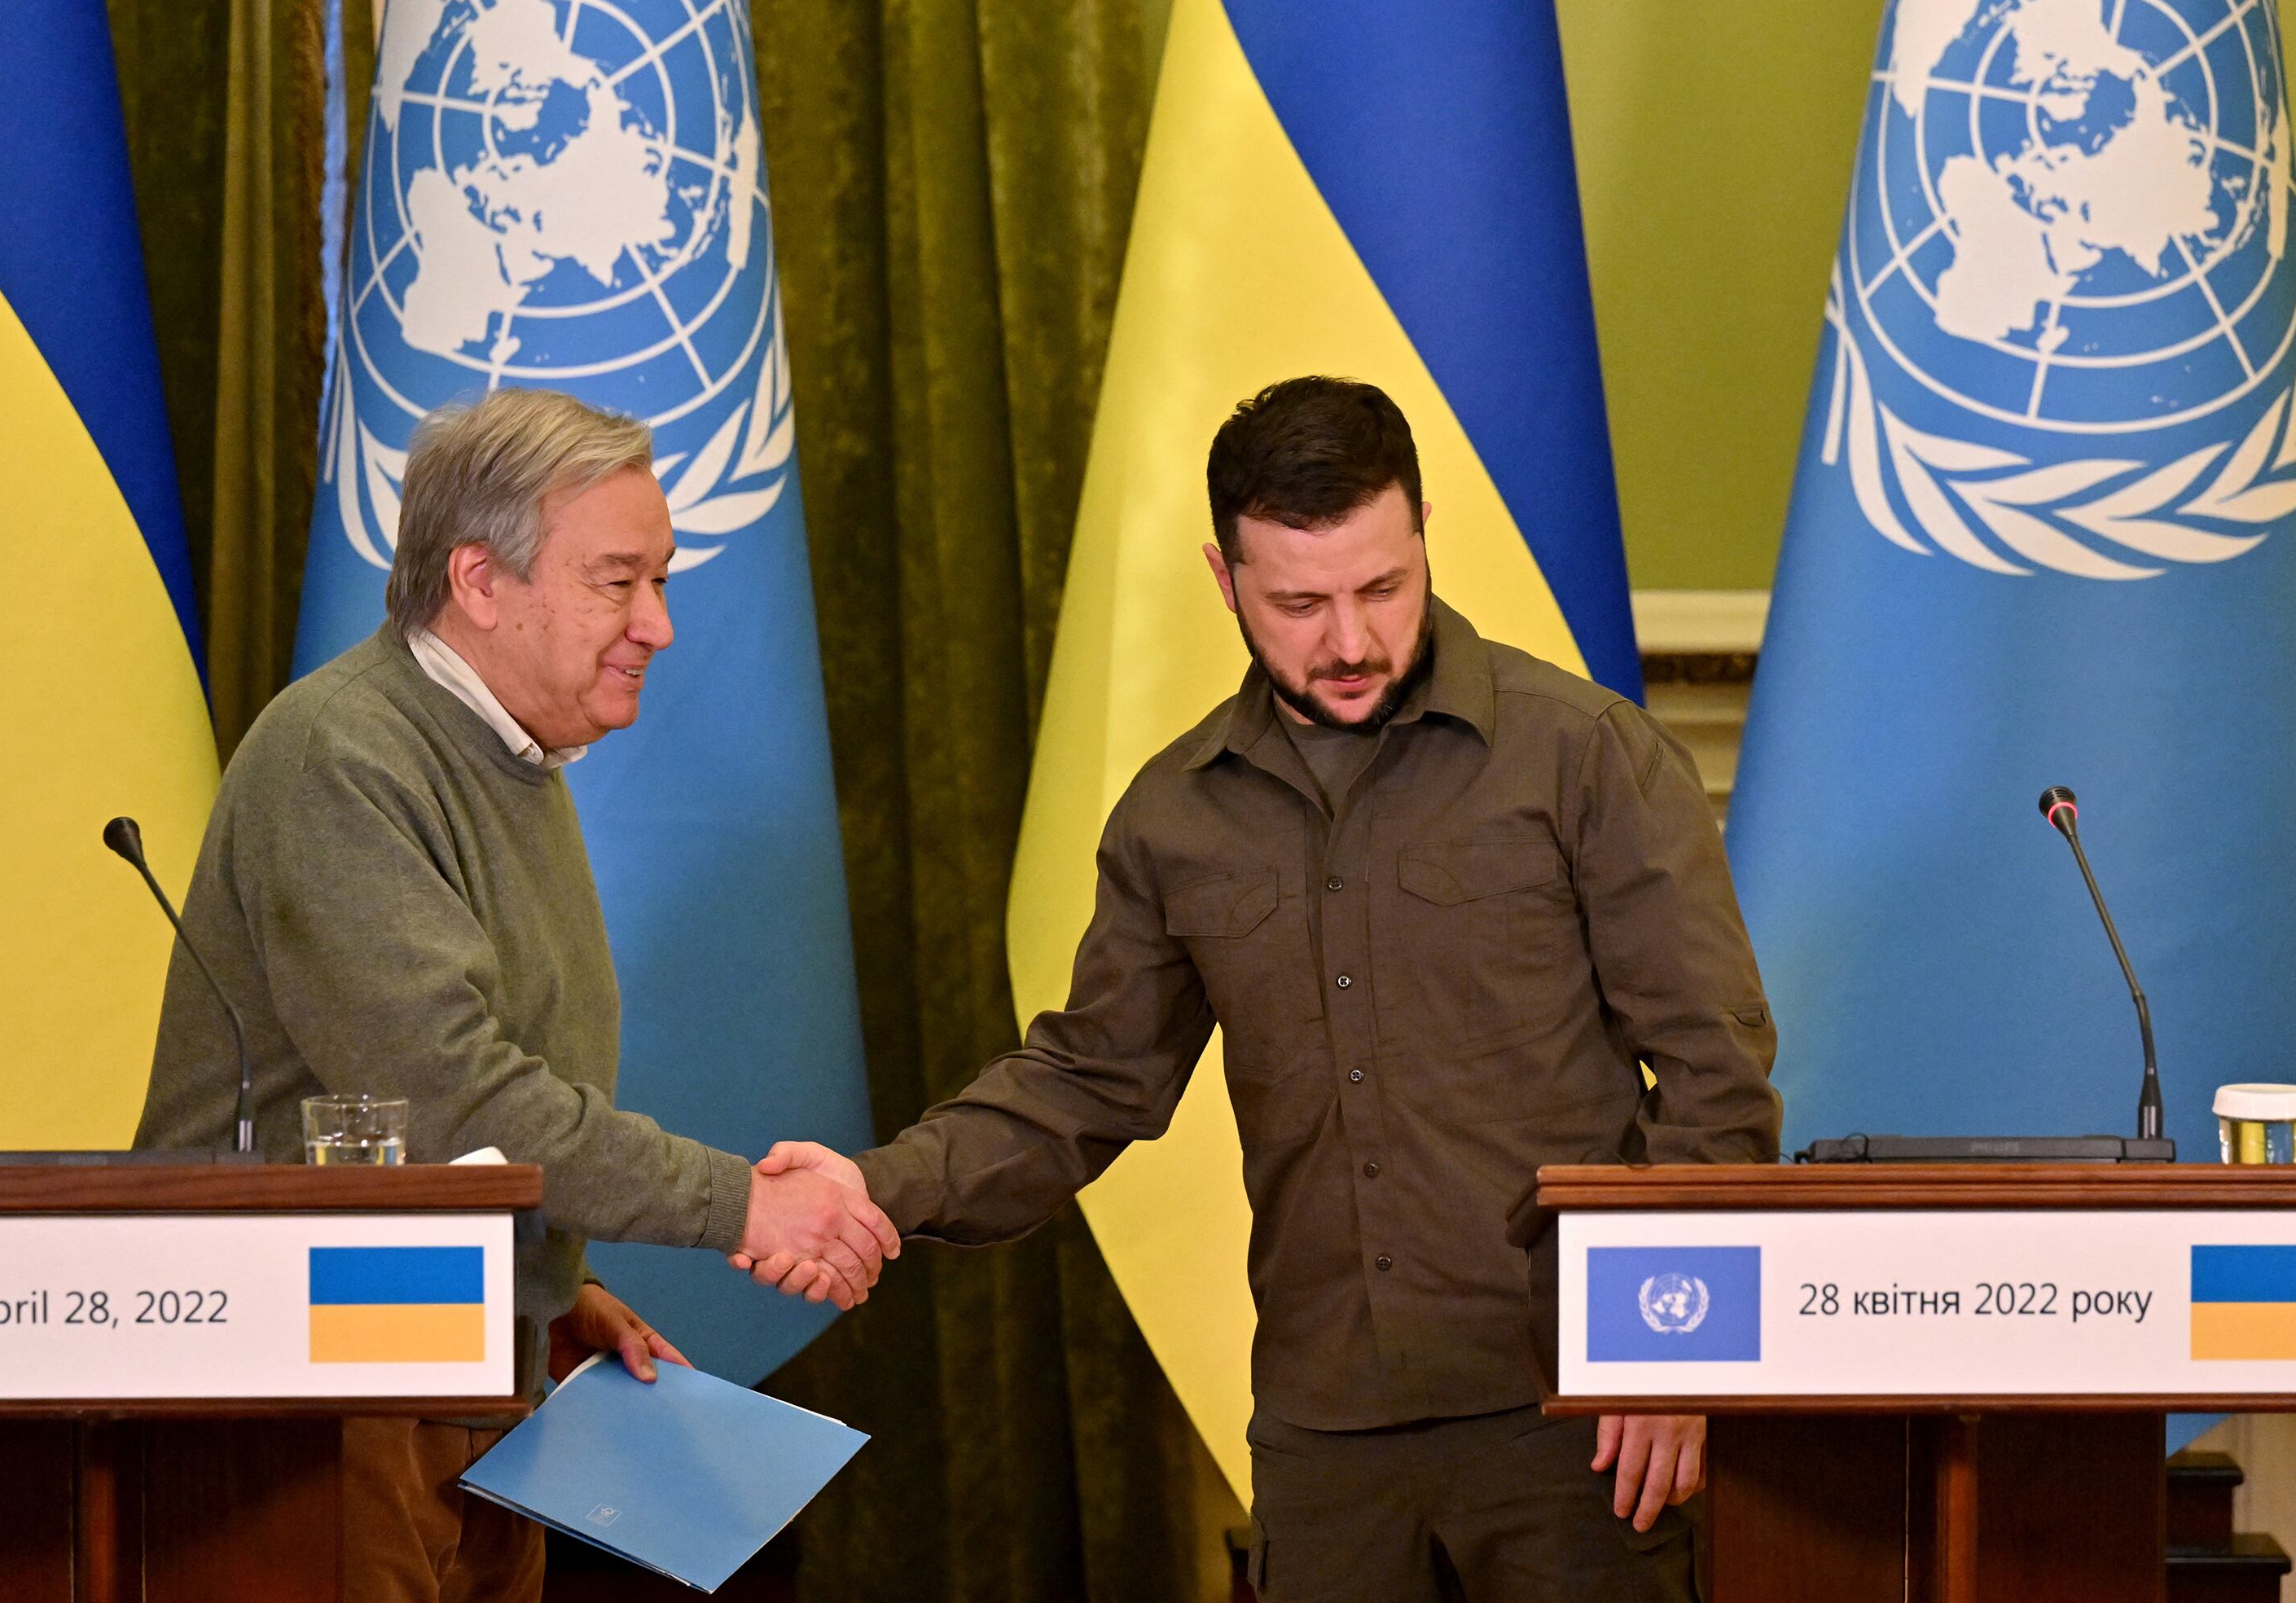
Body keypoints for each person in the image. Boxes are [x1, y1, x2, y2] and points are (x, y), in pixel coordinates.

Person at [749, 376, 1781, 1601]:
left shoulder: (1585, 756)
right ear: (1224, 578)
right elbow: (1082, 1083)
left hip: (1571, 1417)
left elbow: (1717, 1075)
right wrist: (877, 1185)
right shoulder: (1176, 815)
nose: (1349, 641)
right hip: (1325, 1438)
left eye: (1382, 589)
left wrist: (1674, 1355)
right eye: (1298, 603)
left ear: (1422, 537)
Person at [133, 388, 898, 1603]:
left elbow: (442, 1136)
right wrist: (743, 1208)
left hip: (463, 1368)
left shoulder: (508, 757)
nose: (657, 624)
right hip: (306, 1392)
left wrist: (549, 1285)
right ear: (480, 583)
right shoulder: (347, 755)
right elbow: (447, 1098)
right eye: (617, 582)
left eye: (662, 580)